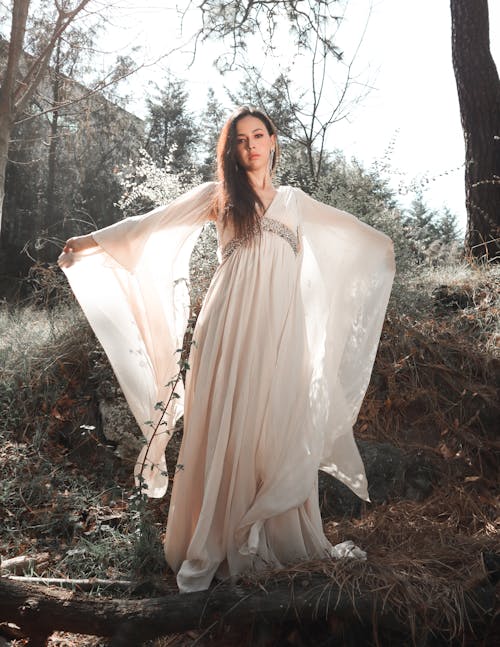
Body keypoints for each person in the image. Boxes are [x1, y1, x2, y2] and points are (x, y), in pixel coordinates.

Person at [58, 106, 395, 593]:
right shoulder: (220, 197)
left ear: (274, 141)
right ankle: (219, 536)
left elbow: (348, 235)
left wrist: (383, 246)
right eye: (241, 139)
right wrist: (90, 243)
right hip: (228, 323)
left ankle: (272, 535)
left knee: (276, 420)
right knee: (228, 420)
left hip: (281, 327)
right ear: (231, 150)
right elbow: (151, 223)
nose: (252, 145)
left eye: (259, 135)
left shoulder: (296, 202)